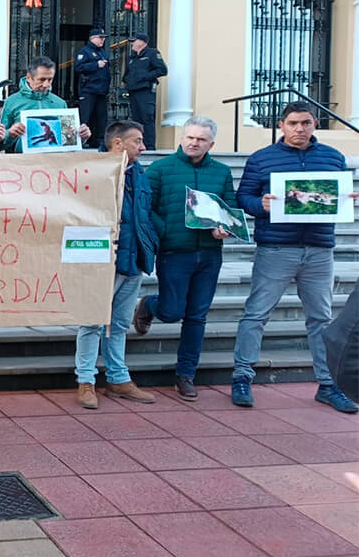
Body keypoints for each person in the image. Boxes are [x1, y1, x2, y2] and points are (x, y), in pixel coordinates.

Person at [230, 102, 359, 413]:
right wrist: (259, 203)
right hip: (276, 248)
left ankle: (329, 385)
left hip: (319, 249)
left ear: (314, 124)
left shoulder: (332, 157)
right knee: (256, 314)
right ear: (281, 125)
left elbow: (337, 194)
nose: (299, 128)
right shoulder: (262, 159)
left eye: (305, 122)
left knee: (321, 319)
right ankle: (242, 377)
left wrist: (346, 198)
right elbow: (242, 198)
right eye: (293, 123)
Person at [132, 117, 235, 400]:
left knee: (196, 316)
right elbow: (144, 206)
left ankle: (186, 374)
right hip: (175, 251)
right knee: (172, 310)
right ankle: (150, 305)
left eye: (201, 139)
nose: (193, 142)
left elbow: (230, 207)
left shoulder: (222, 172)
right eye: (189, 137)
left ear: (211, 143)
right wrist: (164, 230)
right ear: (182, 137)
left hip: (210, 254)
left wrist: (225, 227)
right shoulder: (162, 169)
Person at [74, 120, 158, 408]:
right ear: (118, 143)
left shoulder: (140, 174)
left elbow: (144, 215)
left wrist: (152, 242)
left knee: (119, 324)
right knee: (92, 322)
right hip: (102, 261)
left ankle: (118, 378)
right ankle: (85, 381)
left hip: (134, 260)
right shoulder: (93, 171)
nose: (143, 146)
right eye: (137, 141)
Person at [2, 56, 91, 153]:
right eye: (42, 79)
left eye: (50, 79)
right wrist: (10, 134)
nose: (46, 84)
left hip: (53, 163)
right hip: (23, 164)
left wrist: (81, 137)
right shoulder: (11, 102)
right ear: (28, 77)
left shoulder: (60, 103)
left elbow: (67, 141)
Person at [122, 33, 167, 150]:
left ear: (142, 42)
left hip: (145, 91)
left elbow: (162, 70)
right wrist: (127, 80)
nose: (131, 43)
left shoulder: (152, 53)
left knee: (146, 117)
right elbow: (126, 74)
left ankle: (150, 146)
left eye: (134, 41)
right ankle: (138, 145)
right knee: (136, 120)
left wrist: (145, 77)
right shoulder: (132, 58)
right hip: (133, 91)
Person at [75, 27, 110, 148]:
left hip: (101, 90)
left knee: (101, 118)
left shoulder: (102, 52)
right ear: (92, 38)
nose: (102, 40)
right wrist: (96, 65)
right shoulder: (84, 52)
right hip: (88, 89)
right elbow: (79, 67)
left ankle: (99, 141)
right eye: (100, 38)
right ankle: (82, 141)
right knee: (85, 116)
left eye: (104, 38)